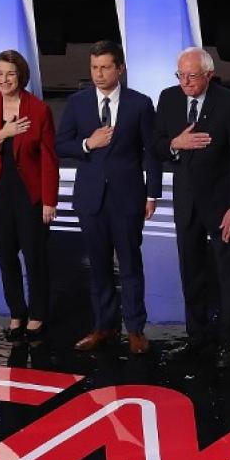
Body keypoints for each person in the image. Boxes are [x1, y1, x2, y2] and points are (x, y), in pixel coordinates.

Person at [56, 40, 162, 354]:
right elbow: (61, 144)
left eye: (104, 67)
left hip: (127, 198)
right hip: (91, 199)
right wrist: (88, 143)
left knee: (130, 265)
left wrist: (152, 193)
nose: (98, 74)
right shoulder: (77, 102)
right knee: (99, 265)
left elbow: (152, 153)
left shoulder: (140, 103)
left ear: (120, 69)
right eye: (94, 68)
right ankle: (104, 326)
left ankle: (135, 330)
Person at [152, 47, 230, 368]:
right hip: (186, 202)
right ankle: (197, 337)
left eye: (192, 76)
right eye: (180, 75)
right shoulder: (168, 98)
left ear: (209, 75)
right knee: (191, 271)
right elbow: (155, 144)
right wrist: (174, 144)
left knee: (229, 274)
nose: (185, 82)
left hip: (222, 204)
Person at [0, 50, 59, 343]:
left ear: (21, 76)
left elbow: (49, 160)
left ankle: (37, 314)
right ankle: (17, 312)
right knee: (6, 255)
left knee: (34, 256)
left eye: (10, 74)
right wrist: (1, 134)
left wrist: (49, 201)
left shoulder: (39, 110)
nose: (4, 79)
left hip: (30, 193)